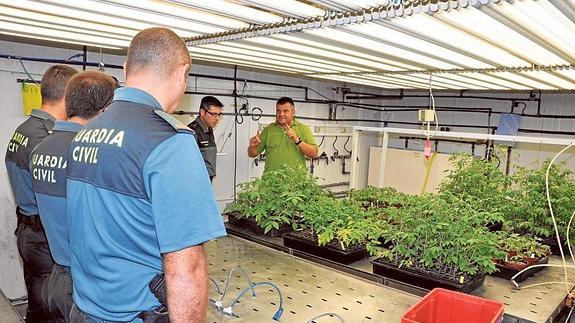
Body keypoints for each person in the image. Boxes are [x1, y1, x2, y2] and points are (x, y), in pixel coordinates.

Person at [66, 27, 226, 323]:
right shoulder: (168, 141)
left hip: (84, 308)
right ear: (182, 73)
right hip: (134, 314)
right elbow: (186, 268)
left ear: (126, 69)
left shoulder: (85, 134)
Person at [30, 71, 117, 323]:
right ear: (104, 110)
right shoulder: (89, 153)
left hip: (57, 274)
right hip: (84, 285)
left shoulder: (40, 149)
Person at [5, 64, 78, 322]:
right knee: (55, 311)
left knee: (37, 307)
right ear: (68, 96)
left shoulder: (23, 131)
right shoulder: (46, 140)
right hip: (45, 239)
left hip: (27, 231)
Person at [248, 97, 318, 173]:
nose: (281, 114)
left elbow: (314, 154)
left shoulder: (303, 129)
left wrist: (296, 140)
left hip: (295, 182)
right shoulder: (268, 130)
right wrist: (252, 147)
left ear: (293, 112)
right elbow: (252, 154)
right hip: (271, 181)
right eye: (278, 111)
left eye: (285, 111)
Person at [187, 96, 223, 181]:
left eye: (219, 114)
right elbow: (187, 163)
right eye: (214, 114)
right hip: (196, 181)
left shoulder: (209, 130)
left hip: (207, 179)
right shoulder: (192, 132)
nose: (217, 118)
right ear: (202, 112)